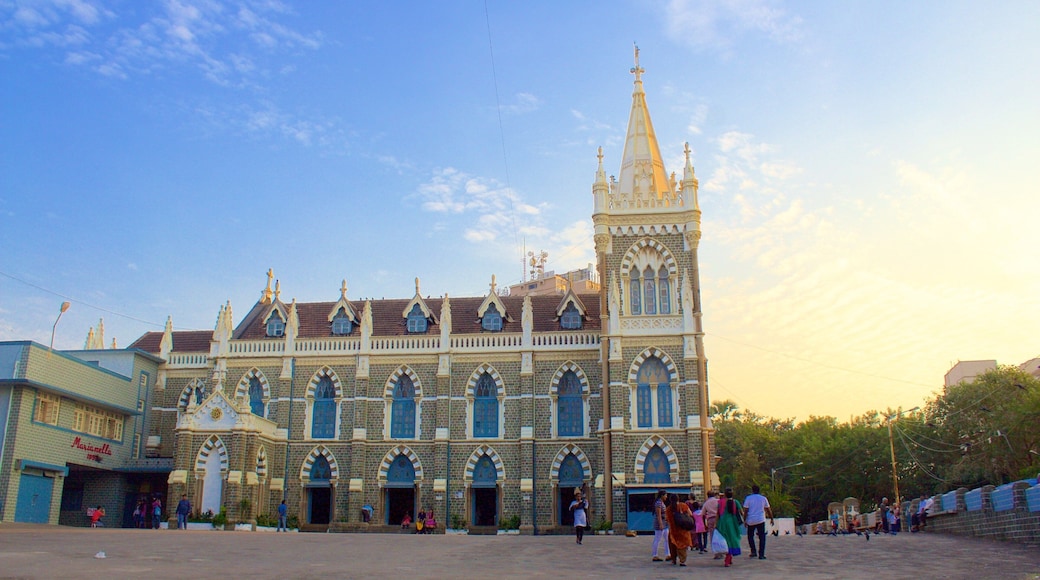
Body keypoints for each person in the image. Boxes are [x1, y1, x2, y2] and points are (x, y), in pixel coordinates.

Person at [742, 485, 773, 560]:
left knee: (750, 536)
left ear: (752, 490)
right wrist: (772, 518)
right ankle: (761, 554)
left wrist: (745, 520)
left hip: (751, 520)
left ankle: (753, 551)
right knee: (762, 537)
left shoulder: (748, 498)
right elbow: (768, 509)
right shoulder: (763, 498)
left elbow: (745, 510)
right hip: (760, 519)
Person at [716, 488, 743, 567]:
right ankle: (728, 559)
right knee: (732, 540)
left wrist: (715, 524)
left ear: (724, 494)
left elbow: (718, 514)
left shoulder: (720, 502)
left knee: (726, 540)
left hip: (723, 523)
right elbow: (741, 512)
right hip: (733, 523)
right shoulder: (736, 502)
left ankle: (728, 558)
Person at [665, 494, 694, 566]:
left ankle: (674, 560)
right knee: (682, 546)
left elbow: (667, 519)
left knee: (673, 545)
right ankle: (682, 561)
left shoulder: (668, 509)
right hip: (683, 530)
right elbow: (690, 514)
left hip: (673, 530)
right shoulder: (683, 505)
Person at [651, 489, 670, 562]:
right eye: (665, 495)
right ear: (662, 495)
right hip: (660, 523)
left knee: (667, 539)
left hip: (665, 523)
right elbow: (658, 515)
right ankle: (655, 555)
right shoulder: (658, 503)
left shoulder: (661, 503)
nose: (666, 497)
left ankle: (668, 554)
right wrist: (660, 524)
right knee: (657, 539)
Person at [702, 491, 721, 559]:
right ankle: (721, 550)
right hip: (718, 519)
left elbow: (703, 514)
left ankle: (716, 553)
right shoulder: (718, 501)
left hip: (710, 519)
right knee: (720, 535)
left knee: (712, 536)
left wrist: (704, 524)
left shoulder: (706, 503)